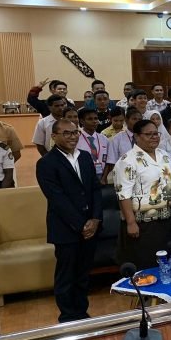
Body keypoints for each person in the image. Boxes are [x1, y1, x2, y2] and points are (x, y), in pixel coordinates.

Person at [36, 119, 102, 323]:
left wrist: (95, 219)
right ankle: (67, 316)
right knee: (66, 275)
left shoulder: (84, 157)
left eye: (75, 133)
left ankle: (82, 312)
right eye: (67, 133)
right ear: (54, 136)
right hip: (66, 229)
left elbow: (95, 190)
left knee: (83, 274)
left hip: (90, 227)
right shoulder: (46, 163)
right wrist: (81, 225)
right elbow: (57, 199)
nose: (72, 137)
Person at [115, 119, 171, 269]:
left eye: (156, 134)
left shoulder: (164, 155)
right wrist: (131, 222)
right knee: (146, 265)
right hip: (142, 224)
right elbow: (123, 194)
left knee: (164, 262)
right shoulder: (127, 160)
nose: (154, 137)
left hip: (166, 219)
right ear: (137, 136)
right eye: (149, 134)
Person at [101, 108, 142, 185]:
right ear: (126, 120)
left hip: (142, 176)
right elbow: (111, 161)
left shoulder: (145, 136)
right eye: (134, 119)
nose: (137, 122)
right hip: (124, 177)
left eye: (139, 119)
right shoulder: (117, 138)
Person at [76, 108, 110, 181]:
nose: (94, 121)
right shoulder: (76, 139)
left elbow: (109, 160)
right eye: (90, 119)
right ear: (82, 121)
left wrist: (104, 177)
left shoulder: (104, 139)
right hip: (83, 178)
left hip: (102, 177)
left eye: (96, 118)